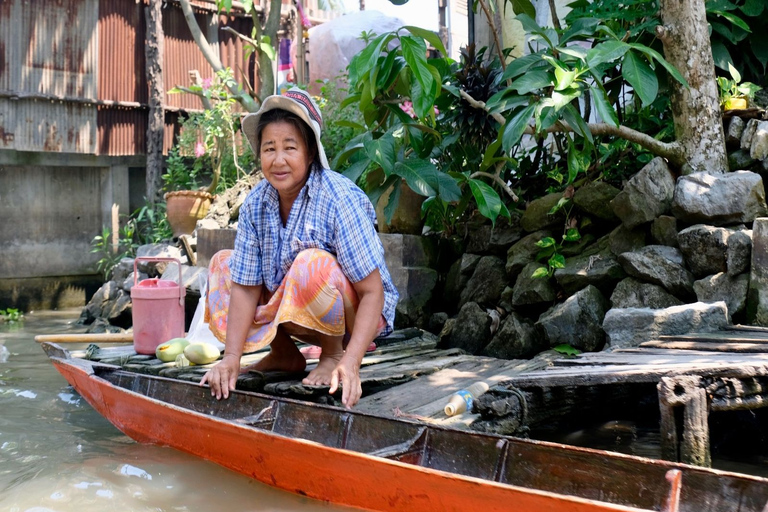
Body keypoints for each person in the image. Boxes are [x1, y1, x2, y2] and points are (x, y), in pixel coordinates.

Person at [200, 88, 398, 409]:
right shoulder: (256, 205)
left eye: (290, 147)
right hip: (299, 314)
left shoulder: (338, 198)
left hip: (357, 317)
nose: (278, 160)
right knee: (225, 265)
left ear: (309, 153)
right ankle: (284, 355)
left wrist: (351, 362)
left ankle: (333, 354)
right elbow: (246, 287)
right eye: (269, 148)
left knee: (310, 263)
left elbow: (373, 292)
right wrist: (231, 359)